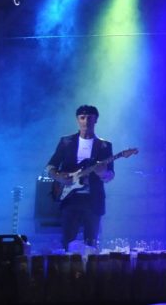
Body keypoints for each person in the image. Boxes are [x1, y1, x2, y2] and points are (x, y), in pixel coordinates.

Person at [44, 104, 117, 251]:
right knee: (68, 241)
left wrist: (102, 173)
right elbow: (50, 166)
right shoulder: (66, 142)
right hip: (70, 198)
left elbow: (110, 175)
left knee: (91, 244)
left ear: (96, 120)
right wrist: (59, 177)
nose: (86, 121)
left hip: (93, 199)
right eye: (82, 118)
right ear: (77, 120)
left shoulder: (104, 145)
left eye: (90, 118)